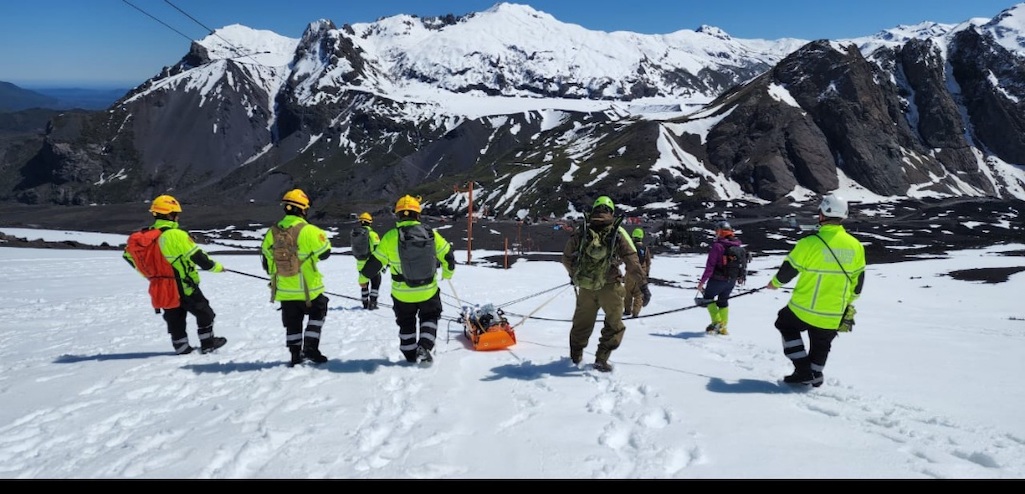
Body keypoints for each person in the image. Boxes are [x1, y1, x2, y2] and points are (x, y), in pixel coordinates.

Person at [766, 194, 865, 387]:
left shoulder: (809, 243)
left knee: (785, 323)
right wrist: (848, 302)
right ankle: (815, 375)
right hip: (834, 310)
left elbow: (788, 270)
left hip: (805, 306)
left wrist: (774, 283)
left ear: (823, 214)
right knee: (822, 342)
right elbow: (858, 282)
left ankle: (803, 370)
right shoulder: (856, 246)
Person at [123, 195, 228, 355]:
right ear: (171, 214)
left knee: (174, 317)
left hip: (159, 286)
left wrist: (150, 274)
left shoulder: (143, 237)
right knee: (205, 312)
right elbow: (199, 258)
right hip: (183, 285)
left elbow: (129, 257)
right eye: (176, 213)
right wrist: (218, 268)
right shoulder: (175, 235)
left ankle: (181, 347)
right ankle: (208, 343)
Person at [359, 195, 456, 365]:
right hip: (428, 289)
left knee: (406, 322)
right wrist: (447, 274)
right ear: (417, 214)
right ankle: (425, 347)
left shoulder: (390, 237)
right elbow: (448, 255)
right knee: (430, 316)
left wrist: (363, 278)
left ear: (398, 215)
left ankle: (409, 353)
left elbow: (374, 263)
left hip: (402, 293)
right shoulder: (430, 234)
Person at [562, 196, 645, 372]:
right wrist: (643, 285)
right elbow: (632, 261)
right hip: (610, 286)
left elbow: (566, 258)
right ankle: (601, 359)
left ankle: (575, 356)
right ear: (611, 212)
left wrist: (575, 275)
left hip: (586, 286)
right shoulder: (617, 231)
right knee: (614, 325)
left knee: (581, 324)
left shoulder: (582, 230)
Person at [260, 189, 333, 367]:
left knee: (292, 323)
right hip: (310, 289)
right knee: (318, 312)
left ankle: (295, 355)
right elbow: (325, 253)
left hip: (284, 289)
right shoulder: (309, 230)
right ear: (303, 210)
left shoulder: (272, 232)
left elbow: (265, 259)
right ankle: (311, 348)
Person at [697, 220, 746, 335]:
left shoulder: (718, 246)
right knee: (723, 301)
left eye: (716, 231)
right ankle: (723, 328)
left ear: (720, 232)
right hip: (731, 280)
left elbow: (710, 266)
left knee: (708, 298)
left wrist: (702, 282)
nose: (715, 233)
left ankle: (717, 322)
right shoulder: (737, 245)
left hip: (717, 279)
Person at [354, 212, 382, 310]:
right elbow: (378, 248)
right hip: (371, 263)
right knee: (376, 282)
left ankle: (365, 303)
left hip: (360, 263)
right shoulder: (373, 234)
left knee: (364, 284)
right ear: (370, 222)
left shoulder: (355, 234)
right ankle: (373, 303)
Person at [624, 227, 653, 318]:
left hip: (630, 272)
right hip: (641, 273)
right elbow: (648, 262)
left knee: (627, 292)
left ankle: (627, 310)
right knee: (638, 293)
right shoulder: (645, 248)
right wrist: (646, 273)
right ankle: (635, 312)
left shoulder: (630, 247)